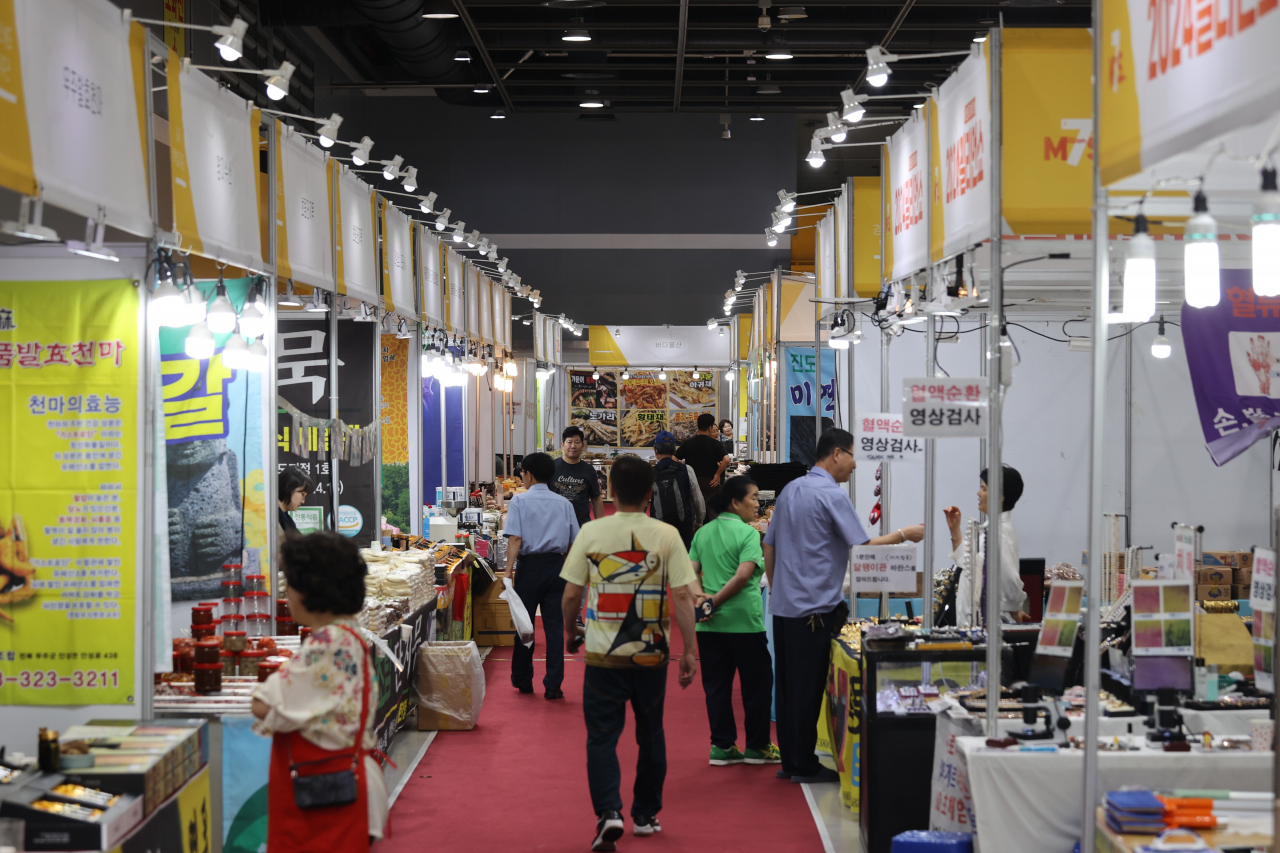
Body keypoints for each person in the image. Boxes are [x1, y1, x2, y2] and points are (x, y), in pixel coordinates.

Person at [764, 427, 924, 783]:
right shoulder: (830, 495)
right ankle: (803, 764)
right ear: (836, 454)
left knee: (789, 686)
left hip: (786, 607)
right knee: (808, 688)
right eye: (853, 456)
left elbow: (769, 546)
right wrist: (905, 534)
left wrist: (777, 590)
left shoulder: (790, 489)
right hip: (815, 611)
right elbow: (864, 543)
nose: (854, 466)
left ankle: (791, 761)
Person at [560, 456, 700, 851]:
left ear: (612, 492)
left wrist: (571, 633)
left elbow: (571, 594)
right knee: (651, 733)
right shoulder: (667, 534)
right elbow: (685, 597)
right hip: (652, 655)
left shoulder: (591, 532)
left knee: (601, 738)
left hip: (603, 656)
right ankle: (645, 813)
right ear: (651, 492)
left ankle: (609, 812)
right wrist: (689, 651)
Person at [251, 532, 388, 851]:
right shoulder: (349, 632)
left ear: (307, 590)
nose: (286, 593)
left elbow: (265, 704)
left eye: (289, 582)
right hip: (345, 779)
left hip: (322, 791)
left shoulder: (326, 645)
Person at [689, 476, 779, 767]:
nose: (757, 503)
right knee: (757, 684)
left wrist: (703, 598)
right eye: (753, 498)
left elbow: (688, 573)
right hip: (744, 621)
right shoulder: (748, 534)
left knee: (716, 686)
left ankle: (722, 746)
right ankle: (757, 746)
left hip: (709, 623)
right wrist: (714, 600)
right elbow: (742, 576)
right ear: (735, 502)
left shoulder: (703, 532)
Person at [503, 451, 580, 699]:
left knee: (525, 626)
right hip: (557, 567)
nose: (522, 477)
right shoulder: (564, 503)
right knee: (555, 627)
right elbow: (574, 542)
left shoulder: (519, 501)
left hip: (530, 568)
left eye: (523, 473)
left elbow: (515, 538)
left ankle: (524, 679)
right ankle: (554, 684)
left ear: (530, 474)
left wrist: (507, 572)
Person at [944, 465, 1026, 625]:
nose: (978, 493)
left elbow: (1010, 579)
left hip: (989, 623)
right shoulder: (992, 528)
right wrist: (955, 532)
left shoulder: (998, 533)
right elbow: (967, 565)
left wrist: (1016, 607)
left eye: (984, 489)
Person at [651, 430, 704, 548]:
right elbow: (697, 499)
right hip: (683, 526)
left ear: (655, 450)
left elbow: (642, 503)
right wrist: (698, 522)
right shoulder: (687, 469)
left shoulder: (650, 473)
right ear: (675, 450)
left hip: (658, 527)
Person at [553, 426, 605, 527]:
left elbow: (596, 498)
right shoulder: (552, 467)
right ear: (562, 445)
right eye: (569, 442)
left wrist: (600, 525)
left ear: (582, 445)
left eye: (577, 442)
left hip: (581, 524)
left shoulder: (589, 470)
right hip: (555, 523)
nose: (573, 446)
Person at [676, 413, 731, 499]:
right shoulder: (716, 443)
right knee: (712, 509)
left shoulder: (688, 443)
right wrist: (717, 474)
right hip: (711, 483)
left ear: (698, 425)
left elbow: (674, 458)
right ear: (710, 428)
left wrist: (684, 469)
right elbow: (726, 460)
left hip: (692, 483)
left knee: (695, 510)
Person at [277, 467, 314, 539]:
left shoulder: (286, 517)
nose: (303, 501)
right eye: (302, 494)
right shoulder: (271, 517)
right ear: (288, 487)